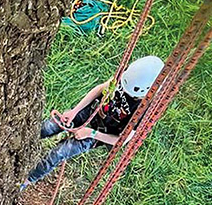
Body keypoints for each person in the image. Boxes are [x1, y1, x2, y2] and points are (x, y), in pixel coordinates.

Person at [22, 55, 164, 185]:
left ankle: (27, 180)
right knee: (48, 127)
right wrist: (74, 111)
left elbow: (122, 141)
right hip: (91, 111)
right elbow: (100, 89)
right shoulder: (127, 76)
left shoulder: (142, 110)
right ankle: (18, 144)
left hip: (100, 133)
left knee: (60, 153)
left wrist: (91, 134)